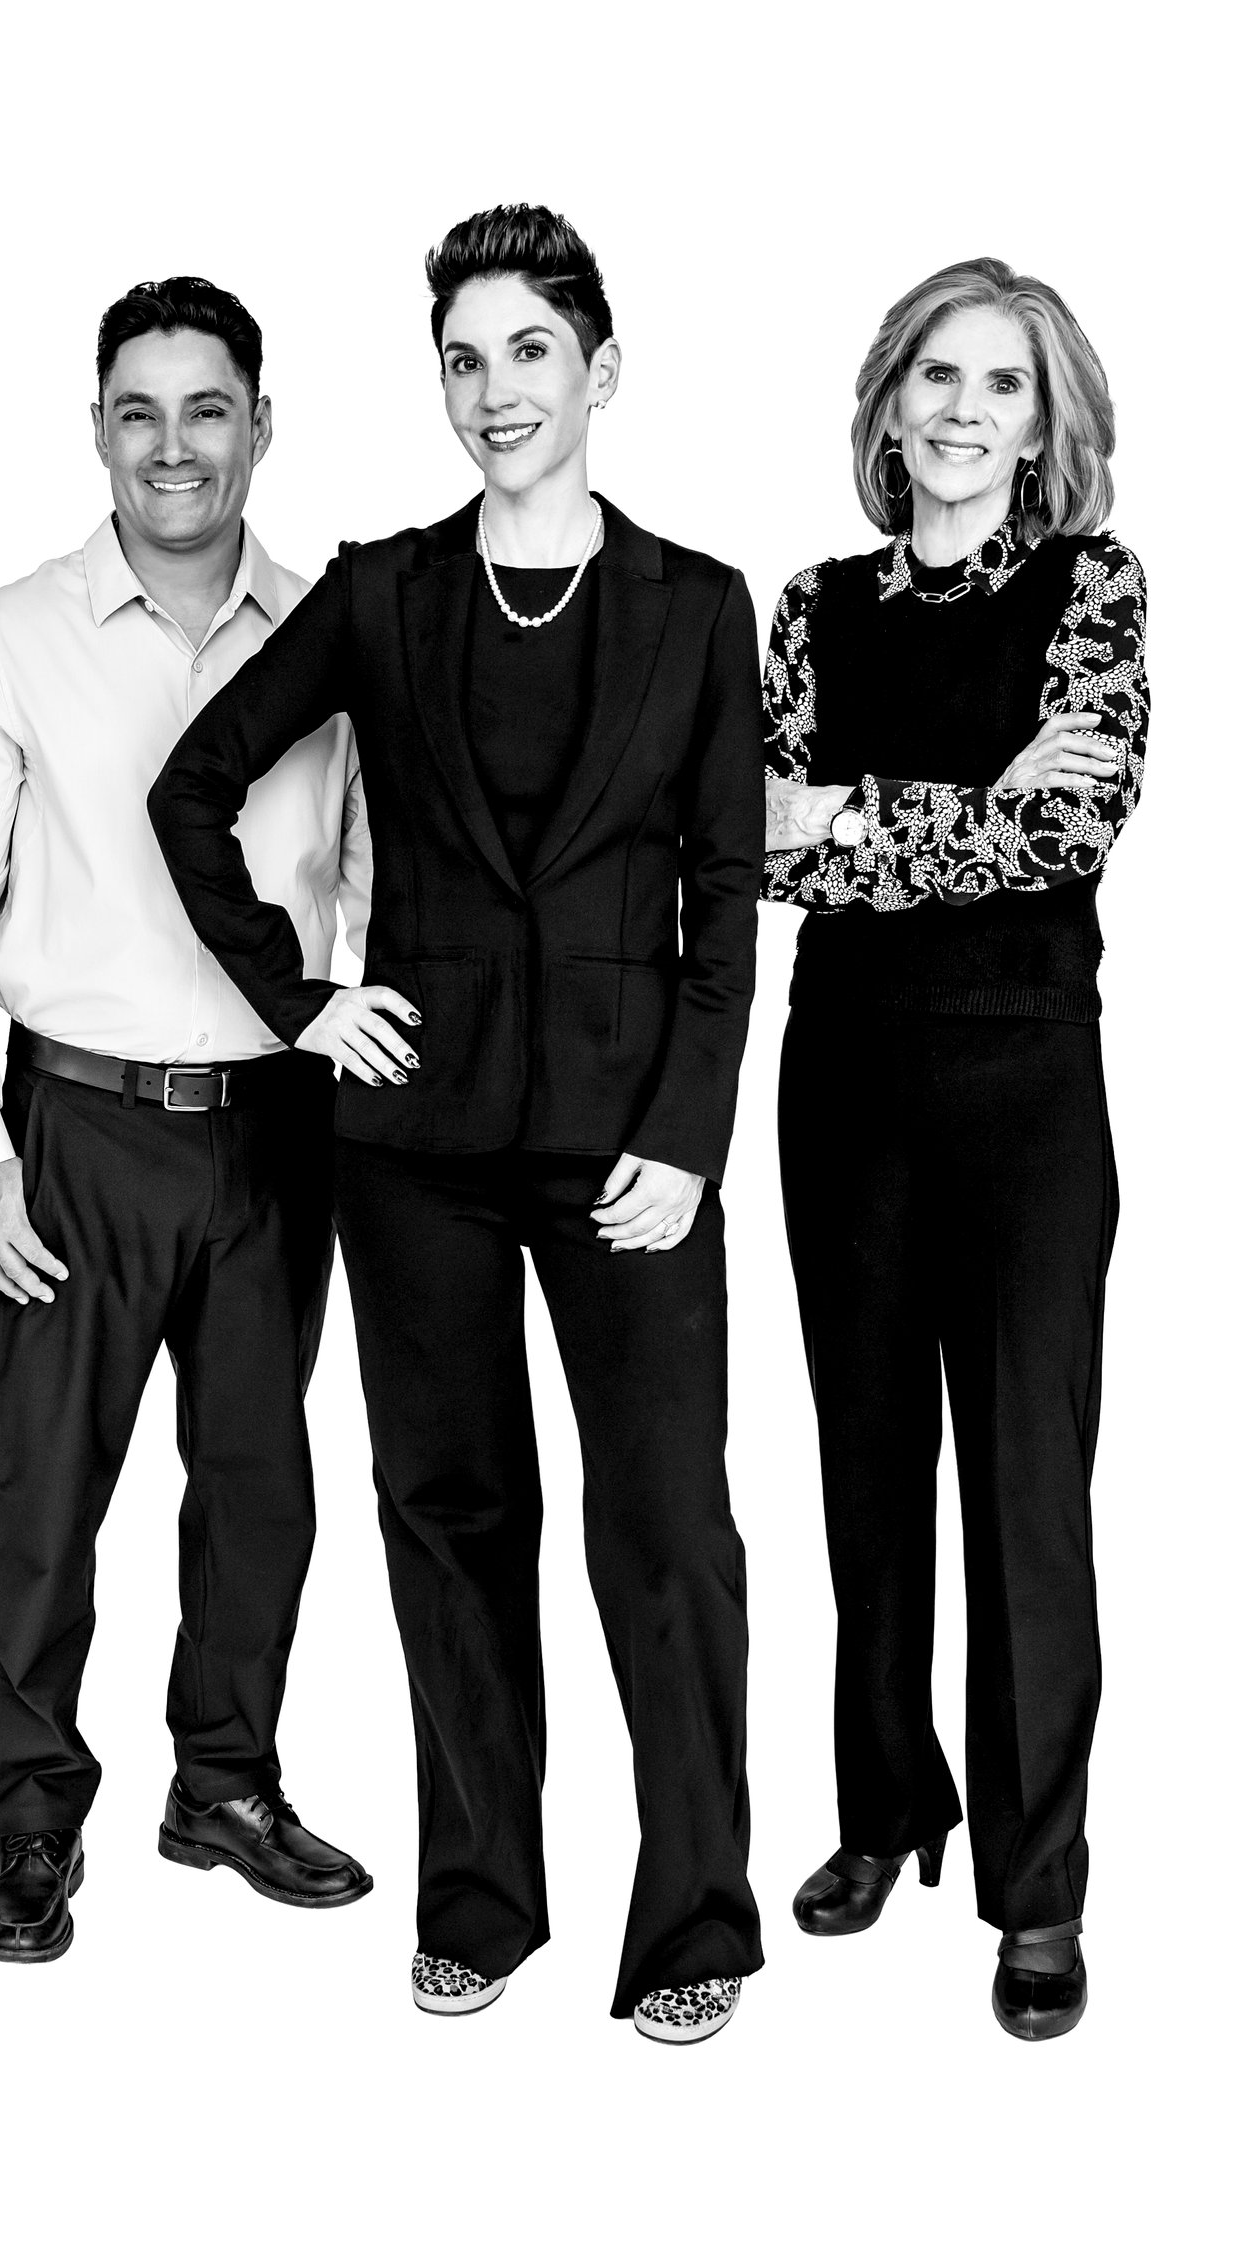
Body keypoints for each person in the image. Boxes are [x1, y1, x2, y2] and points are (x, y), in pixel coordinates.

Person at [151, 207, 765, 2042]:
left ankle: (697, 1917)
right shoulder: (385, 591)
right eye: (464, 361)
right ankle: (481, 1896)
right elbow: (192, 785)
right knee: (450, 1514)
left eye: (528, 353)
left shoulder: (696, 605)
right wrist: (302, 999)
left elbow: (725, 897)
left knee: (667, 1525)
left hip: (629, 1150)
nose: (495, 392)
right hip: (414, 1142)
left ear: (600, 370)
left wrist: (691, 1135)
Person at [0, 277, 373, 1966]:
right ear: (97, 429)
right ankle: (33, 1814)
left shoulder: (332, 635)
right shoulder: (11, 635)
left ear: (262, 424)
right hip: (76, 1131)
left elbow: (369, 885)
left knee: (260, 1485)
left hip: (276, 1128)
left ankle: (224, 1783)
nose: (175, 446)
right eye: (140, 412)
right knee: (49, 1497)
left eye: (208, 409)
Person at [761, 257, 1147, 2040]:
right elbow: (760, 844)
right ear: (889, 400)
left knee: (1026, 1493)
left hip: (1025, 1087)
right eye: (937, 375)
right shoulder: (813, 605)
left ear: (1045, 422)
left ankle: (1037, 1886)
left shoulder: (1092, 587)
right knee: (864, 1473)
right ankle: (880, 1808)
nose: (964, 411)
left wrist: (862, 815)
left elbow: (1068, 831)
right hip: (843, 1078)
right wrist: (960, 805)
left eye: (1002, 384)